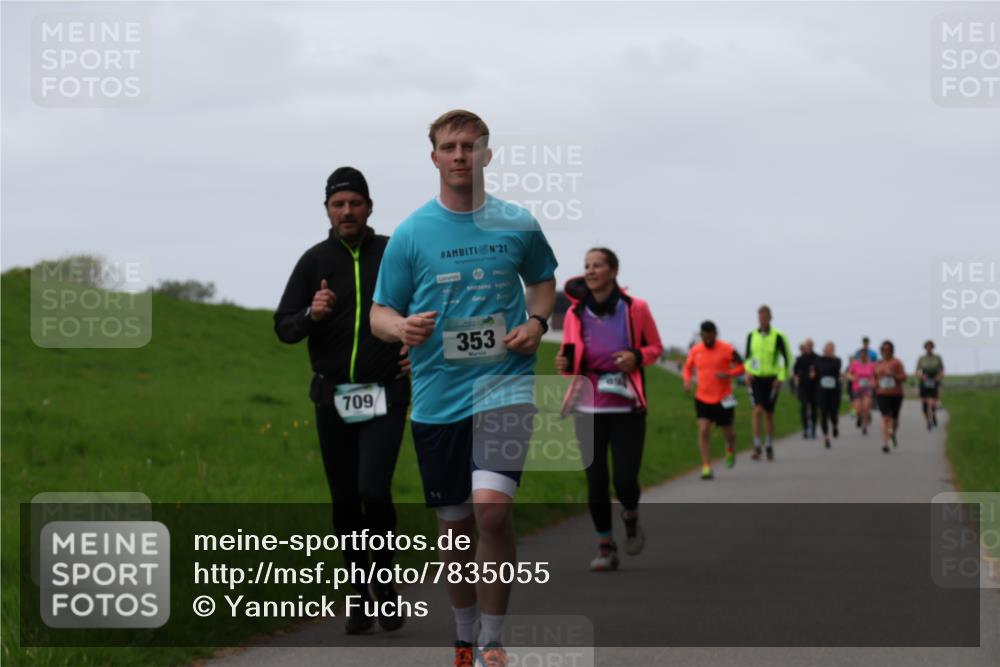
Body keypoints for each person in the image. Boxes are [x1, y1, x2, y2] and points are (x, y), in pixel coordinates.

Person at [370, 110, 558, 667]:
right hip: (437, 398)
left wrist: (538, 323)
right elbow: (381, 311)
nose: (460, 155)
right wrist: (400, 328)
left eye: (470, 146)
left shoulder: (517, 222)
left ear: (487, 155)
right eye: (449, 147)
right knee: (454, 526)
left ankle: (494, 642)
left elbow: (543, 281)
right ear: (434, 158)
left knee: (492, 512)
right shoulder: (411, 233)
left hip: (505, 386)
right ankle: (464, 634)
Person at [273, 167, 411, 634]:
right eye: (338, 204)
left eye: (355, 202)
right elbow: (284, 327)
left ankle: (386, 584)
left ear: (369, 207)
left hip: (386, 390)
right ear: (327, 210)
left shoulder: (394, 253)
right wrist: (312, 315)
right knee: (346, 498)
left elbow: (431, 306)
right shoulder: (314, 261)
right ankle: (359, 597)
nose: (347, 211)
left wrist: (419, 347)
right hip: (333, 395)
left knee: (374, 489)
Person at [556, 248, 663, 570]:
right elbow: (569, 358)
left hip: (627, 406)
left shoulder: (635, 308)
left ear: (613, 271)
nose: (590, 271)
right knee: (596, 481)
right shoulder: (575, 314)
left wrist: (636, 356)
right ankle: (605, 545)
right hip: (587, 407)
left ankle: (630, 516)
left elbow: (655, 347)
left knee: (626, 480)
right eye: (586, 266)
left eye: (597, 265)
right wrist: (563, 363)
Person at [682, 320, 744, 479]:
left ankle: (730, 448)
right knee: (703, 430)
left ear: (715, 334)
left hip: (725, 397)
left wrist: (729, 374)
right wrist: (687, 381)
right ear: (701, 335)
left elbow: (742, 366)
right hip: (702, 396)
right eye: (704, 337)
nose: (707, 340)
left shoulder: (727, 348)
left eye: (710, 337)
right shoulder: (695, 350)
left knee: (729, 433)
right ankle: (706, 466)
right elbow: (687, 368)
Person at [744, 305, 792, 460]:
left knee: (769, 413)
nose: (763, 321)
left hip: (772, 380)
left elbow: (787, 359)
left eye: (765, 318)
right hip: (756, 378)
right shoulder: (751, 336)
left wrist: (781, 377)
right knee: (757, 410)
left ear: (770, 318)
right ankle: (757, 444)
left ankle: (769, 444)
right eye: (760, 318)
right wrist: (747, 372)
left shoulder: (778, 336)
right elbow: (747, 358)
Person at [874, 340, 906, 453]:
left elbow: (904, 377)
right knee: (885, 418)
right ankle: (885, 443)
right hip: (882, 394)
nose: (886, 352)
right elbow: (874, 378)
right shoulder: (878, 364)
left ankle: (893, 433)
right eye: (883, 350)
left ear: (892, 351)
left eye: (888, 350)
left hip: (896, 394)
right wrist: (874, 383)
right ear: (881, 351)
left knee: (895, 419)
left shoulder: (897, 362)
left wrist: (893, 375)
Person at [815, 342, 843, 449]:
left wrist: (830, 358)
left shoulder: (837, 360)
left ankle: (835, 425)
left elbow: (835, 369)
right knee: (823, 414)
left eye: (831, 349)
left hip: (834, 391)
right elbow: (817, 371)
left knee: (833, 413)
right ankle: (826, 438)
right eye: (827, 349)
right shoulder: (818, 360)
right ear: (824, 349)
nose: (828, 351)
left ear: (833, 350)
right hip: (822, 391)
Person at [792, 339, 820, 439]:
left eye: (810, 345)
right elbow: (795, 370)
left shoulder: (817, 358)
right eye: (807, 345)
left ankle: (813, 429)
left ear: (813, 346)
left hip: (814, 387)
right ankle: (805, 428)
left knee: (813, 408)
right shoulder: (800, 358)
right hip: (803, 386)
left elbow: (821, 370)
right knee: (804, 406)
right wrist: (796, 377)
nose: (808, 347)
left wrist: (816, 374)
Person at [916, 340, 945, 431]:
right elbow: (917, 370)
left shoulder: (937, 358)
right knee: (924, 404)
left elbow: (942, 369)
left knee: (932, 403)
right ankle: (928, 421)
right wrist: (921, 376)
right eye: (927, 347)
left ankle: (933, 416)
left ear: (932, 348)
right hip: (924, 381)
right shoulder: (921, 358)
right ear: (925, 348)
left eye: (930, 347)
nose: (929, 348)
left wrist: (938, 377)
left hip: (934, 380)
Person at [845, 351, 875, 435]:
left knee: (866, 407)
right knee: (857, 409)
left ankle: (864, 426)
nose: (863, 357)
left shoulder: (871, 365)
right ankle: (859, 417)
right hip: (857, 388)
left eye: (864, 356)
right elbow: (848, 374)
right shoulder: (855, 364)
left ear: (867, 356)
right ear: (859, 357)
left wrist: (873, 382)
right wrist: (852, 378)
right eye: (861, 356)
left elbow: (874, 376)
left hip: (867, 389)